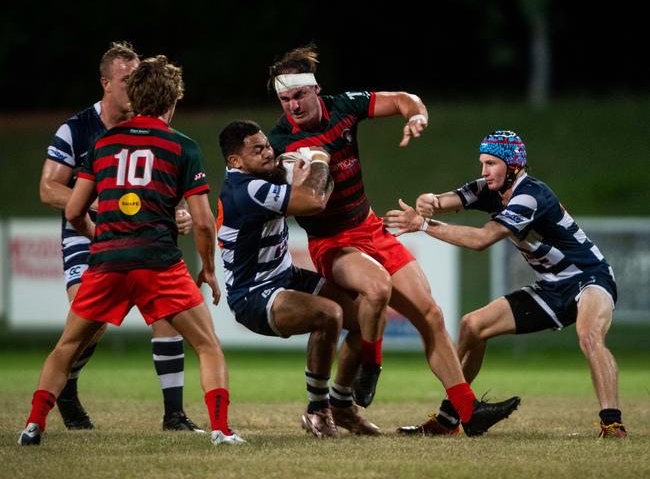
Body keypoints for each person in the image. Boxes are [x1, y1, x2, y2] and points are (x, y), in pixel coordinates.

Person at [267, 44, 520, 437]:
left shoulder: (344, 107)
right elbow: (283, 196)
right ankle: (371, 363)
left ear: (316, 90)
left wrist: (416, 114)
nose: (293, 106)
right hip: (331, 242)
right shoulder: (282, 142)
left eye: (298, 95)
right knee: (376, 287)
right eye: (284, 99)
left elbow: (404, 99)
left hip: (369, 227)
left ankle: (468, 413)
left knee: (431, 315)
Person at [19, 55, 244, 446]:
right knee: (207, 345)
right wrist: (207, 268)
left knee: (66, 346)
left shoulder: (102, 142)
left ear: (136, 96)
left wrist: (98, 233)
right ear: (172, 100)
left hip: (107, 261)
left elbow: (73, 210)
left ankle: (34, 424)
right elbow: (205, 221)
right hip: (158, 263)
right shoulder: (182, 146)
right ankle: (222, 430)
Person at [383, 130, 627, 439]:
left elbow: (483, 239)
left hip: (590, 278)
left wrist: (424, 224)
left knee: (589, 336)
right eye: (482, 163)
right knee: (472, 325)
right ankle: (448, 420)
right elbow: (445, 200)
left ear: (513, 166)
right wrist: (426, 201)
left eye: (491, 163)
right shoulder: (489, 188)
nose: (484, 171)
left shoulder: (530, 195)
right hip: (552, 287)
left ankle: (613, 424)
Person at [39, 41, 200, 432]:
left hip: (144, 236)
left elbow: (165, 189)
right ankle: (68, 387)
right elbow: (48, 188)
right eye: (127, 79)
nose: (134, 86)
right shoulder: (77, 129)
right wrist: (100, 206)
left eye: (138, 79)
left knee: (168, 316)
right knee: (91, 325)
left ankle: (174, 415)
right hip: (88, 235)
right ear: (106, 84)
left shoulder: (153, 128)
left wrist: (178, 215)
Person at [217, 120, 380, 438]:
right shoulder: (247, 189)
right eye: (257, 149)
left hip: (284, 276)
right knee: (328, 314)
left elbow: (317, 195)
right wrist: (319, 160)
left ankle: (342, 405)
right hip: (253, 294)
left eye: (267, 145)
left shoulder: (261, 176)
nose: (268, 152)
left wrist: (313, 178)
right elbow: (316, 201)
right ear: (235, 161)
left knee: (366, 314)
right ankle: (318, 411)